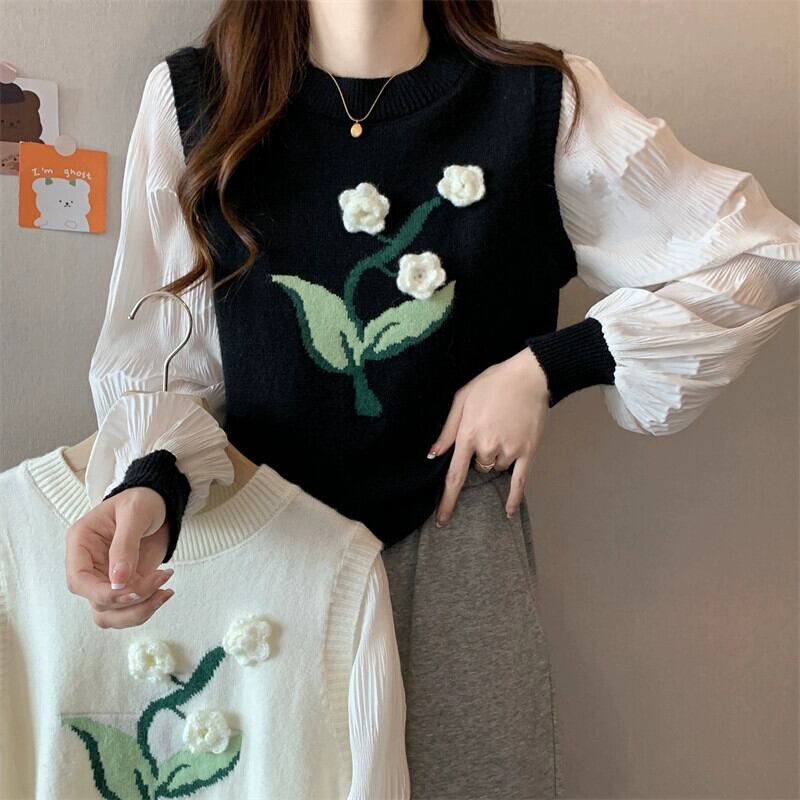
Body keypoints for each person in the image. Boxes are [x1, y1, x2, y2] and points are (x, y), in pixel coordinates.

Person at [65, 0, 800, 797]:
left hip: (458, 557)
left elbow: (762, 257)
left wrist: (547, 367)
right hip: (257, 558)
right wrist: (151, 484)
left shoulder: (539, 103)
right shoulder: (201, 100)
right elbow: (164, 360)